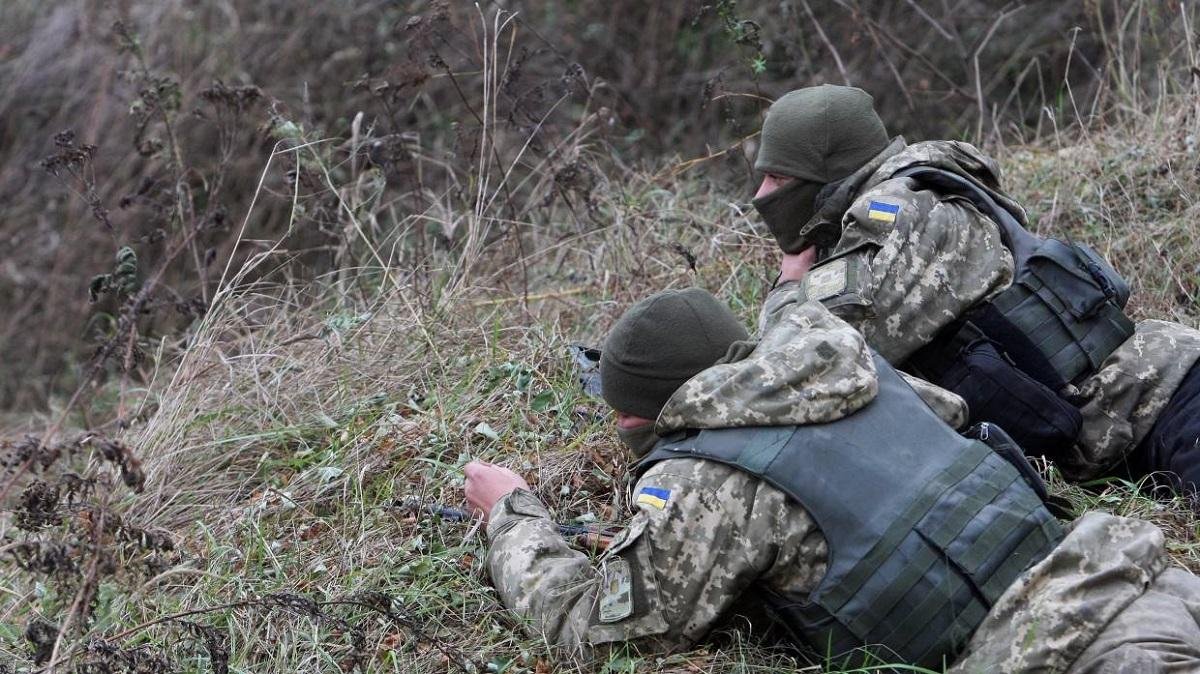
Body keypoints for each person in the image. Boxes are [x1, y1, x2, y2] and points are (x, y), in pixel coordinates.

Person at [464, 288, 1200, 672]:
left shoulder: (706, 478)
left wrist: (511, 514)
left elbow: (594, 627)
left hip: (1062, 652)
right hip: (1142, 580)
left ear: (647, 414)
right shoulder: (866, 374)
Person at [749, 84, 1200, 494]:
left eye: (779, 178)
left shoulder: (899, 217)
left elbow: (802, 360)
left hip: (1165, 399)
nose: (761, 194)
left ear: (828, 174)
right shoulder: (921, 195)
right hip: (1130, 424)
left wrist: (789, 286)